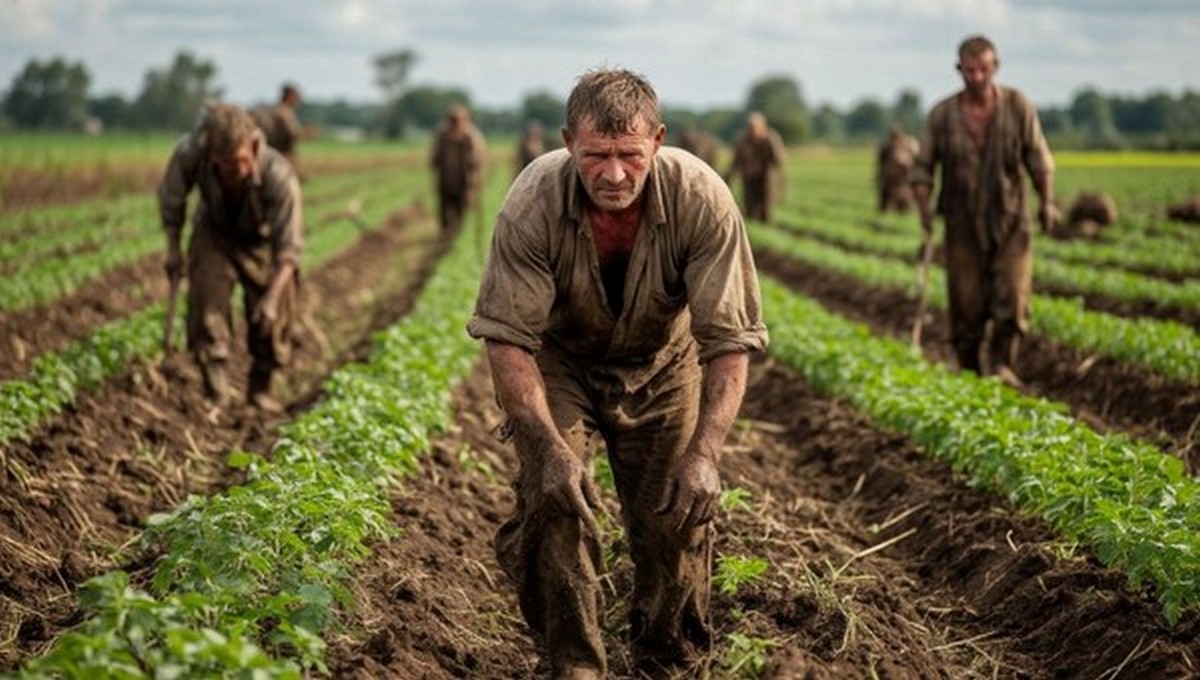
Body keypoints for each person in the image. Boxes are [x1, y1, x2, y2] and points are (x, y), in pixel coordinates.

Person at [467, 68, 768, 678]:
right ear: (567, 142)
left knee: (675, 515)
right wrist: (547, 447)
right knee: (556, 501)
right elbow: (508, 342)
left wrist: (705, 453)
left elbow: (729, 342)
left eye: (629, 155)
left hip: (663, 361)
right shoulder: (532, 202)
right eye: (596, 155)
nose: (613, 174)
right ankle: (574, 663)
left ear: (657, 141)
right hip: (560, 359)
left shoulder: (702, 199)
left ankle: (666, 658)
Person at [911, 35, 1056, 384]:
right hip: (961, 224)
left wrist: (1046, 202)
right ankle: (970, 369)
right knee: (966, 303)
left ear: (995, 67)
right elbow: (922, 169)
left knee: (1014, 296)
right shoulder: (942, 114)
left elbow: (1039, 160)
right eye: (970, 70)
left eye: (983, 69)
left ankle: (1004, 363)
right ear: (959, 69)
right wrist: (925, 212)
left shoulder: (1018, 106)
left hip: (1012, 220)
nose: (976, 76)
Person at [159, 102, 303, 412]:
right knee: (207, 303)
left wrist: (271, 300)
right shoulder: (191, 153)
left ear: (253, 147)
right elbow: (172, 197)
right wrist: (173, 249)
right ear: (209, 150)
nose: (232, 175)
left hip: (261, 241)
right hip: (214, 232)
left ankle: (260, 389)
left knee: (273, 315)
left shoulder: (279, 175)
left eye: (238, 164)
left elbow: (289, 250)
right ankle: (217, 392)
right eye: (223, 167)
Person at [430, 104, 486, 232]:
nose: (455, 124)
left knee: (461, 209)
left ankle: (455, 233)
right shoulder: (442, 135)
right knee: (444, 210)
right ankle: (446, 231)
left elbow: (480, 159)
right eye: (453, 121)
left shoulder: (471, 136)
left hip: (464, 182)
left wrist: (476, 177)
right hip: (445, 181)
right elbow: (434, 159)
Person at [726, 111, 786, 223]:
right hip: (748, 176)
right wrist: (728, 179)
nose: (752, 130)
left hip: (766, 177)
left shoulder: (771, 139)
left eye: (754, 127)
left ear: (763, 127)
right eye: (750, 127)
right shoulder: (742, 141)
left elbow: (778, 159)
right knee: (750, 206)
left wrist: (781, 182)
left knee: (766, 206)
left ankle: (766, 222)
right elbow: (735, 161)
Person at [255, 82, 306, 172]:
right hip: (284, 157)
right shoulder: (285, 113)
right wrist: (307, 133)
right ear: (290, 96)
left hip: (270, 156)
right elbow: (293, 134)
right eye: (296, 97)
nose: (298, 101)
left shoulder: (271, 111)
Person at [876, 125, 919, 213]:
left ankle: (904, 210)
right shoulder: (887, 145)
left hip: (905, 175)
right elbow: (881, 161)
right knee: (887, 196)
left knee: (906, 195)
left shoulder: (909, 142)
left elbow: (917, 155)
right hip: (890, 175)